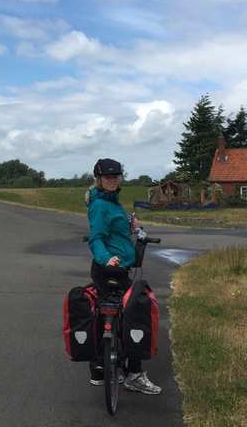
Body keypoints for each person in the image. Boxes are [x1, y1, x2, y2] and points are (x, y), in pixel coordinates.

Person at [85, 157, 162, 395]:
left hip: (117, 268)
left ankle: (101, 369)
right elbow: (96, 237)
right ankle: (134, 374)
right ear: (99, 179)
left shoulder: (111, 202)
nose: (112, 180)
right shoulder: (100, 205)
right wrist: (106, 258)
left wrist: (130, 226)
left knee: (107, 316)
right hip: (109, 269)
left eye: (116, 176)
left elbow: (112, 232)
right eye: (107, 177)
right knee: (136, 313)